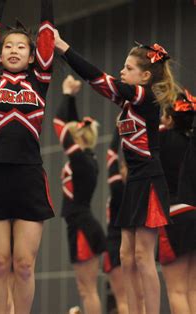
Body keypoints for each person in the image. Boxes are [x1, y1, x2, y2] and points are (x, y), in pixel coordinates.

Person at [54, 31, 177, 313]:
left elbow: (99, 77)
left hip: (148, 178)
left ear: (145, 76)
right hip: (134, 180)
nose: (122, 71)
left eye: (129, 68)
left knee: (143, 257)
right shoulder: (127, 103)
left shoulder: (144, 98)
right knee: (125, 255)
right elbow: (97, 82)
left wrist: (63, 48)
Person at [0, 0, 55, 312]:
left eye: (22, 47)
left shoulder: (40, 80)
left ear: (33, 56)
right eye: (8, 46)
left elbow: (47, 33)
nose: (14, 51)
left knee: (23, 265)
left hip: (29, 176)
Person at [53, 75, 106, 314]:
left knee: (87, 289)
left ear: (77, 139)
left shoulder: (82, 161)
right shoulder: (86, 158)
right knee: (84, 287)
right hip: (81, 223)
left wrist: (65, 93)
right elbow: (70, 123)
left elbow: (58, 123)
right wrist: (72, 98)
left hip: (83, 226)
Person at [158, 90, 196, 314]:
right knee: (192, 289)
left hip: (175, 214)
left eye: (164, 115)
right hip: (194, 213)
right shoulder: (191, 142)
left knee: (177, 290)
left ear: (171, 119)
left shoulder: (163, 137)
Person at [102, 127, 129, 314]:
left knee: (123, 299)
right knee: (137, 296)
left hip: (115, 245)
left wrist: (118, 129)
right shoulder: (139, 191)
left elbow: (111, 155)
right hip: (132, 244)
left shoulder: (119, 189)